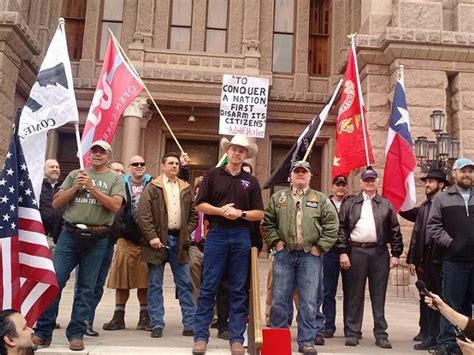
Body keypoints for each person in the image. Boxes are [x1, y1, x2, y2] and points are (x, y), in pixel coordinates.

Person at [31, 140, 126, 351]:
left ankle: (76, 333)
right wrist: (76, 186)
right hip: (70, 236)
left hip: (98, 238)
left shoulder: (115, 179)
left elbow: (115, 206)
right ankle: (43, 332)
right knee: (55, 282)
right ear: (89, 155)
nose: (97, 154)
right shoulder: (76, 174)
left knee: (86, 289)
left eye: (102, 152)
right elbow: (56, 203)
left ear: (109, 156)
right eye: (94, 151)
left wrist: (92, 188)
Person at [192, 134, 264, 355]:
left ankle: (235, 338)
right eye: (234, 149)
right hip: (217, 234)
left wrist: (240, 213)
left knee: (238, 288)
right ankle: (200, 337)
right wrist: (221, 211)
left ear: (245, 155)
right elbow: (200, 205)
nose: (237, 153)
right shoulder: (212, 175)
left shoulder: (251, 181)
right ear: (228, 151)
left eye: (241, 150)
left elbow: (259, 212)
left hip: (241, 234)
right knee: (209, 286)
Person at [262, 160, 339, 355]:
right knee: (280, 299)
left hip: (309, 257)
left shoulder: (320, 199)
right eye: (297, 172)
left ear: (310, 176)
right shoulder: (278, 197)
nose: (300, 175)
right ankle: (279, 341)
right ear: (291, 176)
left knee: (309, 300)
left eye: (304, 172)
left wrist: (319, 248)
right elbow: (268, 222)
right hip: (284, 255)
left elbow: (332, 226)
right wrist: (276, 243)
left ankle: (306, 341)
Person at [337, 166, 403, 349]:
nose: (369, 183)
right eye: (366, 180)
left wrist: (396, 254)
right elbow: (341, 228)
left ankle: (381, 334)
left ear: (377, 182)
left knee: (378, 294)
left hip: (379, 253)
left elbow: (395, 230)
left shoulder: (386, 204)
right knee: (354, 294)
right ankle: (352, 332)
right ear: (361, 183)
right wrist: (342, 251)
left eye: (372, 180)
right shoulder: (350, 203)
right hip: (356, 252)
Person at [137, 152, 197, 339]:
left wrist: (186, 233)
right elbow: (143, 215)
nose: (174, 166)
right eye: (170, 163)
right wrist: (152, 237)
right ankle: (156, 323)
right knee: (155, 284)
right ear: (163, 166)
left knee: (185, 283)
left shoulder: (185, 188)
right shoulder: (153, 186)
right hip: (157, 242)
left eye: (176, 163)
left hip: (179, 241)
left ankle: (190, 323)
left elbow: (193, 215)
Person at [427, 157, 474, 355]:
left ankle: (469, 341)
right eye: (463, 171)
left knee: (469, 303)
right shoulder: (442, 198)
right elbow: (434, 226)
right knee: (450, 303)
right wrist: (452, 244)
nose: (467, 175)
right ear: (454, 173)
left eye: (471, 171)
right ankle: (448, 343)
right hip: (453, 261)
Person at [400, 169, 449, 350]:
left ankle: (436, 336)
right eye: (426, 181)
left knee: (437, 299)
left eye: (431, 181)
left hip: (440, 259)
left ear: (442, 184)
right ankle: (428, 332)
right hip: (424, 260)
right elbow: (417, 234)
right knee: (426, 297)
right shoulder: (425, 206)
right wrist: (412, 259)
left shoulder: (446, 204)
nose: (427, 184)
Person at [103, 156, 152, 332]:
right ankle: (118, 317)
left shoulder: (152, 183)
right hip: (124, 236)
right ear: (129, 167)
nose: (139, 166)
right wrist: (119, 230)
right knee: (121, 278)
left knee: (144, 280)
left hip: (146, 238)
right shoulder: (120, 184)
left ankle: (145, 317)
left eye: (142, 164)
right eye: (135, 164)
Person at [82, 161, 127, 337]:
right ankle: (80, 320)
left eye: (122, 171)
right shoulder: (95, 188)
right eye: (116, 170)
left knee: (98, 284)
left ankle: (87, 321)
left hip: (108, 241)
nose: (119, 174)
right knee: (85, 284)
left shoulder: (122, 192)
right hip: (90, 240)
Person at [322, 175, 350, 339]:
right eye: (338, 185)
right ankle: (328, 325)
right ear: (332, 187)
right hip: (329, 252)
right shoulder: (324, 203)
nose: (340, 188)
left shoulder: (352, 203)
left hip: (348, 251)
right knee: (328, 291)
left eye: (343, 185)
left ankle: (350, 327)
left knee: (350, 292)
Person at [39, 159, 64, 247]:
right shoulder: (38, 186)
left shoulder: (64, 187)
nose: (55, 169)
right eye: (51, 167)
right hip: (41, 233)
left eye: (57, 167)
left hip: (59, 235)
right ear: (44, 170)